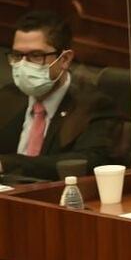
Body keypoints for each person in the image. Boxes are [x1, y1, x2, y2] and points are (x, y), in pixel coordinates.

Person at [0, 10, 119, 180]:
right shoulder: (7, 97)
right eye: (18, 56)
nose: (23, 65)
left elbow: (90, 161)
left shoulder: (93, 105)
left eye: (36, 56)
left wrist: (8, 164)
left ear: (64, 60)